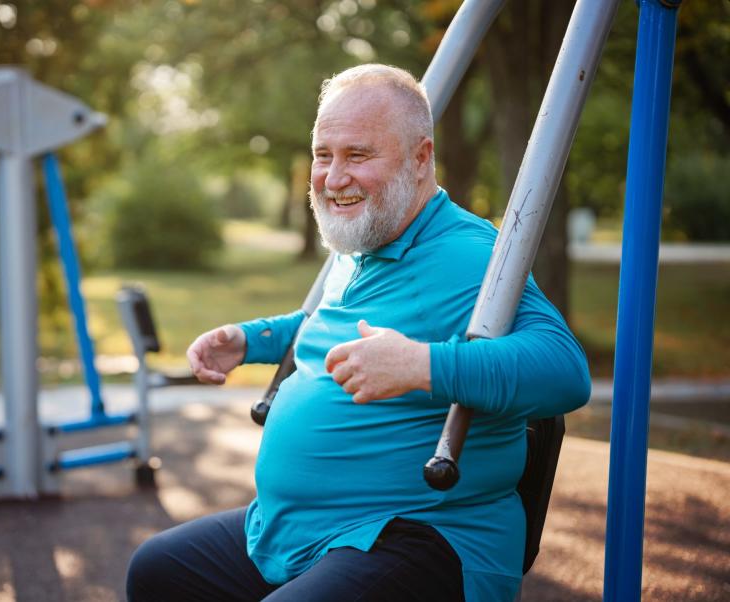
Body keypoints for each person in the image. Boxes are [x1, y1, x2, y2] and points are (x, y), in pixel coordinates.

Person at [126, 64, 590, 602]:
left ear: (420, 158)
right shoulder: (366, 240)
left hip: (423, 535)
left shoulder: (471, 255)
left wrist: (422, 366)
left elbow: (565, 370)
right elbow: (328, 329)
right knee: (158, 571)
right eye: (324, 155)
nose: (333, 176)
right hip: (305, 528)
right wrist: (251, 339)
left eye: (358, 155)